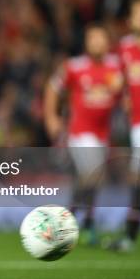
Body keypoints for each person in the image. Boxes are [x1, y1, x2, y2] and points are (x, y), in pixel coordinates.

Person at [44, 24, 123, 245]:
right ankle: (85, 224)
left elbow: (127, 91)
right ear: (86, 43)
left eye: (100, 38)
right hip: (80, 131)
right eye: (92, 39)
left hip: (103, 133)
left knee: (85, 181)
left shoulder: (116, 67)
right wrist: (51, 117)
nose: (97, 43)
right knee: (93, 174)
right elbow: (52, 88)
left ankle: (66, 222)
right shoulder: (74, 67)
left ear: (107, 42)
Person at [109, 0, 140, 252]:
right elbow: (116, 79)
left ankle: (129, 236)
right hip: (139, 123)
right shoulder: (124, 48)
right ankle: (130, 236)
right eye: (137, 13)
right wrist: (121, 93)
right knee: (139, 177)